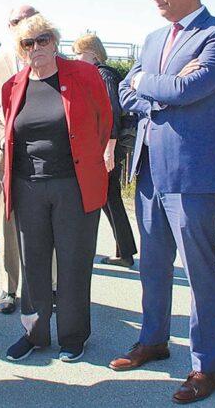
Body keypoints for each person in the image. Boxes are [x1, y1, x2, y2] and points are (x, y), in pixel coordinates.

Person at [109, 0, 215, 404]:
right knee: (152, 265)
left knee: (200, 273)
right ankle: (154, 340)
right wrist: (155, 86)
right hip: (148, 171)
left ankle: (208, 367)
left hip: (194, 175)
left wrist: (151, 84)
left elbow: (190, 89)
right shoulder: (151, 39)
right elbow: (127, 93)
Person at [2, 14, 112, 362]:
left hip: (74, 187)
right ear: (20, 50)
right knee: (33, 265)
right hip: (28, 187)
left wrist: (90, 162)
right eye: (28, 43)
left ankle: (73, 336)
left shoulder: (84, 75)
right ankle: (34, 334)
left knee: (74, 263)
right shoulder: (13, 86)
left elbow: (103, 119)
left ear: (56, 41)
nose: (37, 48)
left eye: (43, 39)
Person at [0, 4, 38, 314]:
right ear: (9, 25)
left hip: (45, 158)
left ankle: (52, 286)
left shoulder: (52, 58)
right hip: (4, 157)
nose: (24, 25)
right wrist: (2, 135)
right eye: (18, 20)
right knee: (7, 225)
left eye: (30, 19)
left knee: (48, 224)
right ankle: (10, 287)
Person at [72, 34, 138, 268]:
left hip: (106, 149)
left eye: (78, 53)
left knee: (108, 198)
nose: (76, 58)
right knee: (109, 199)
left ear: (91, 53)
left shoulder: (104, 75)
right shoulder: (100, 74)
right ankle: (125, 250)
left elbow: (111, 110)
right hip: (103, 148)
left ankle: (125, 252)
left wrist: (108, 149)